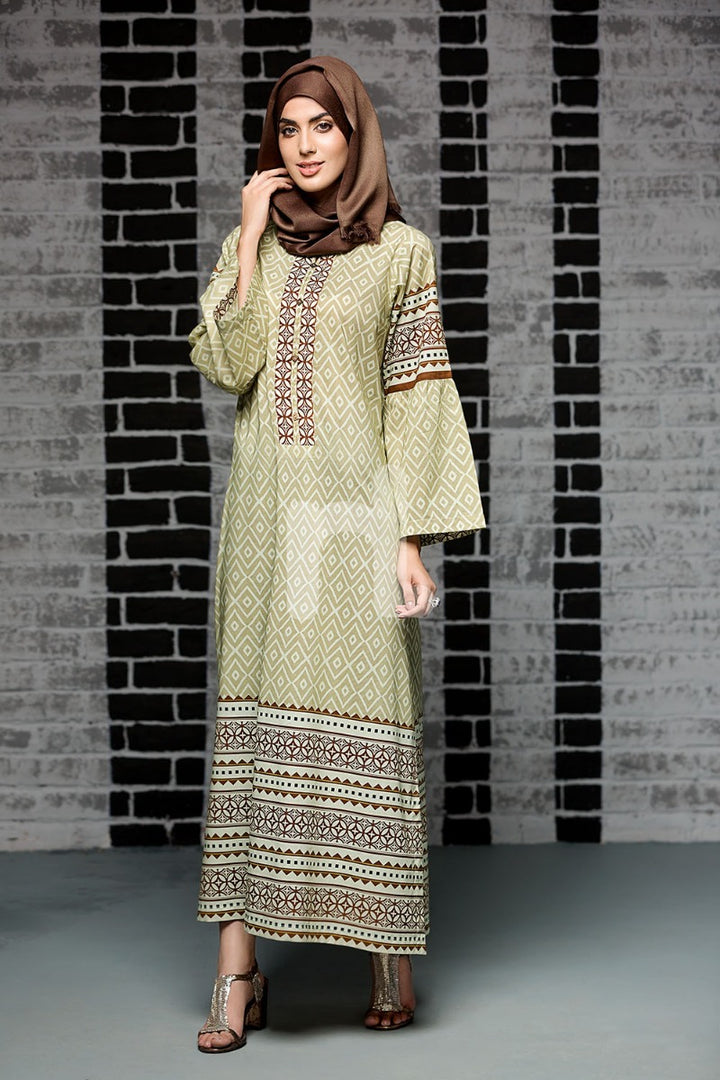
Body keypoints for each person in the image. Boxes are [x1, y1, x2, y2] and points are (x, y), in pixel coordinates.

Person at [189, 56, 485, 1053]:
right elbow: (226, 362)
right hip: (269, 526)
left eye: (324, 126)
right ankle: (238, 975)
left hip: (357, 524)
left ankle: (387, 953)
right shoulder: (254, 244)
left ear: (356, 136)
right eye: (288, 129)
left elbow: (419, 402)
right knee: (253, 735)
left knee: (375, 728)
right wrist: (246, 239)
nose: (305, 145)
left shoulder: (402, 253)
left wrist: (411, 538)